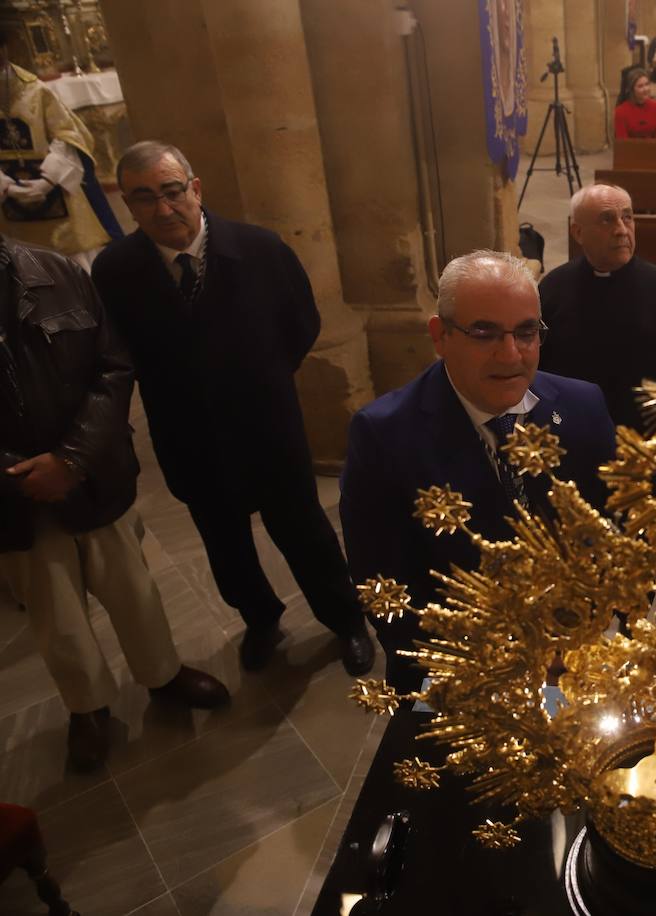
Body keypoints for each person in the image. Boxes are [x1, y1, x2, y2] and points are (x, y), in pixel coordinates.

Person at [91, 141, 375, 675]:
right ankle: (260, 617)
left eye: (172, 191)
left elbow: (301, 323)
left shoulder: (260, 249)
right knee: (223, 540)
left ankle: (346, 619)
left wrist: (259, 380)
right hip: (186, 433)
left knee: (303, 530)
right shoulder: (115, 269)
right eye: (145, 197)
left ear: (195, 189)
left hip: (266, 424)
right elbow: (117, 350)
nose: (164, 208)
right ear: (128, 204)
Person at [1, 235, 230, 770]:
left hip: (93, 471)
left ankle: (163, 675)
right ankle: (87, 708)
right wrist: (18, 476)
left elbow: (112, 365)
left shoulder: (53, 270)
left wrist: (71, 459)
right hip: (16, 497)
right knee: (55, 612)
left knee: (132, 588)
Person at [340, 251, 617, 691]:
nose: (511, 354)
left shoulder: (584, 406)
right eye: (484, 333)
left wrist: (584, 634)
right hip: (462, 674)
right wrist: (494, 668)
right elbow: (385, 588)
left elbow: (610, 533)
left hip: (577, 657)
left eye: (526, 332)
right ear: (440, 336)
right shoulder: (384, 435)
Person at [538, 185, 656, 430]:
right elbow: (538, 366)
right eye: (607, 219)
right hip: (568, 423)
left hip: (643, 428)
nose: (622, 230)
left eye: (627, 217)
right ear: (578, 232)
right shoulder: (553, 288)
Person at [0, 34, 124, 268]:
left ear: (5, 50)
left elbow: (68, 136)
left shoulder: (35, 91)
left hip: (56, 194)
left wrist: (47, 180)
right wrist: (5, 185)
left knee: (73, 268)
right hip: (6, 204)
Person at [615, 70, 656, 139]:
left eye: (647, 84)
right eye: (640, 86)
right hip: (630, 146)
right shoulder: (620, 111)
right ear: (631, 90)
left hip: (654, 146)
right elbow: (622, 142)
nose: (646, 89)